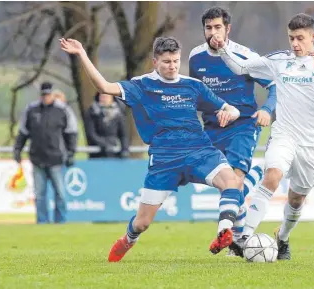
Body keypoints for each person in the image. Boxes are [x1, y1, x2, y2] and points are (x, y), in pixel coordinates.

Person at [60, 36, 245, 261]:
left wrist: (228, 113)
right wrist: (82, 54)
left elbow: (232, 109)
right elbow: (104, 87)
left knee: (232, 181)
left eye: (176, 60)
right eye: (167, 61)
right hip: (165, 160)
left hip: (199, 151)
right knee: (142, 222)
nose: (172, 66)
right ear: (155, 62)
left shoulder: (192, 86)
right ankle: (128, 239)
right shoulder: (141, 85)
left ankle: (224, 231)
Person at [213, 12, 314, 260]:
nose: (295, 44)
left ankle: (283, 237)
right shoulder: (278, 60)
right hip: (284, 133)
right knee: (272, 176)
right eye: (291, 38)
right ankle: (243, 239)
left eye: (300, 38)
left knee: (297, 199)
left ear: (313, 37)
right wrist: (223, 50)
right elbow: (241, 66)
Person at [189, 6, 277, 255]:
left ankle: (226, 232)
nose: (213, 33)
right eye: (208, 28)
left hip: (243, 126)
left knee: (234, 179)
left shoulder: (245, 56)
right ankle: (254, 179)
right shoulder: (196, 58)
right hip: (212, 129)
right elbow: (198, 96)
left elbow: (273, 86)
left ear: (228, 29)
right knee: (227, 185)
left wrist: (267, 110)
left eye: (218, 27)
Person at [13, 82, 78, 224]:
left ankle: (60, 222)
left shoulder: (63, 110)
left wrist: (71, 152)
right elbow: (23, 132)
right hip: (37, 158)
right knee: (39, 195)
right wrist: (17, 149)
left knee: (60, 194)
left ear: (52, 94)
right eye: (43, 94)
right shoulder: (31, 110)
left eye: (48, 94)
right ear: (40, 95)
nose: (45, 97)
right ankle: (42, 222)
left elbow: (71, 132)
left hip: (56, 158)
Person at [84, 93, 130, 158]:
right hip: (96, 152)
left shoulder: (119, 114)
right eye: (102, 96)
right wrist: (104, 145)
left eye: (106, 96)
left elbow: (124, 135)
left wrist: (125, 149)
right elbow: (91, 133)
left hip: (114, 150)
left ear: (112, 98)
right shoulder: (92, 112)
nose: (104, 98)